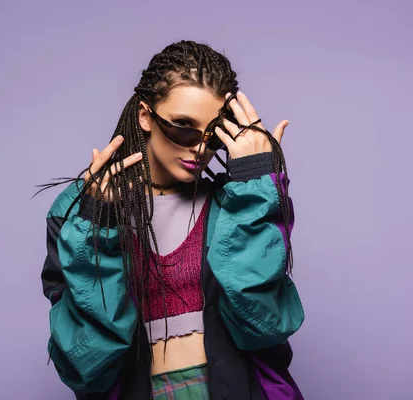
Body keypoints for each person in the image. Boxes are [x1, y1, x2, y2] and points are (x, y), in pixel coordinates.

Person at [39, 40, 305, 400]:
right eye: (183, 127)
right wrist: (97, 226)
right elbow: (85, 362)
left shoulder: (236, 202)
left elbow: (263, 326)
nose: (200, 148)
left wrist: (257, 191)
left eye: (214, 134)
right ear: (146, 116)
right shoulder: (78, 211)